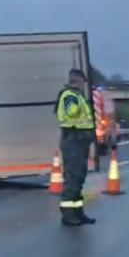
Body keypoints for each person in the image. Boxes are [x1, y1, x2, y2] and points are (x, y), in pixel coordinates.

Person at [55, 69, 97, 226]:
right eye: (82, 82)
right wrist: (81, 106)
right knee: (72, 178)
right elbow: (71, 113)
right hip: (72, 140)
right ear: (77, 81)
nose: (84, 86)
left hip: (79, 141)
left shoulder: (77, 96)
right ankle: (68, 215)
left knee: (79, 178)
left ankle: (78, 213)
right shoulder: (70, 95)